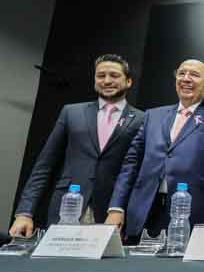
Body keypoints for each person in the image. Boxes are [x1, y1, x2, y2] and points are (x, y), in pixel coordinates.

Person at [106, 59, 204, 242]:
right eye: (181, 73)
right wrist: (116, 208)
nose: (186, 78)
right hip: (144, 211)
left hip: (194, 214)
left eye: (194, 75)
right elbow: (131, 164)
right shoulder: (153, 116)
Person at [10, 54, 144, 236]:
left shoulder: (142, 119)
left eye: (114, 75)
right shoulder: (71, 112)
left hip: (112, 213)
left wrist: (119, 209)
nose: (106, 80)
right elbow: (44, 164)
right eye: (101, 75)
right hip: (66, 206)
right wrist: (24, 213)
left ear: (128, 81)